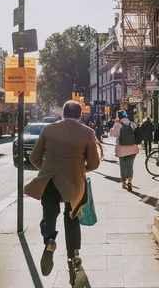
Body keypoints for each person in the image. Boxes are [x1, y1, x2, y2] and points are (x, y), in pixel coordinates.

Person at [24, 100, 101, 280]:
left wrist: (47, 168)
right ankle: (73, 254)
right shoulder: (88, 133)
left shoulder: (49, 129)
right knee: (72, 214)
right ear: (80, 115)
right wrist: (79, 169)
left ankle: (50, 240)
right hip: (74, 182)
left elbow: (34, 156)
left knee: (49, 212)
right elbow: (94, 163)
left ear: (63, 114)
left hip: (49, 179)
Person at [110, 110, 140, 191]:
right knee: (130, 165)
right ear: (126, 116)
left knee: (123, 166)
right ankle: (129, 181)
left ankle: (124, 183)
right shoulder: (132, 124)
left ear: (118, 116)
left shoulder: (117, 125)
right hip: (133, 148)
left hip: (122, 149)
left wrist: (115, 124)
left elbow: (111, 134)